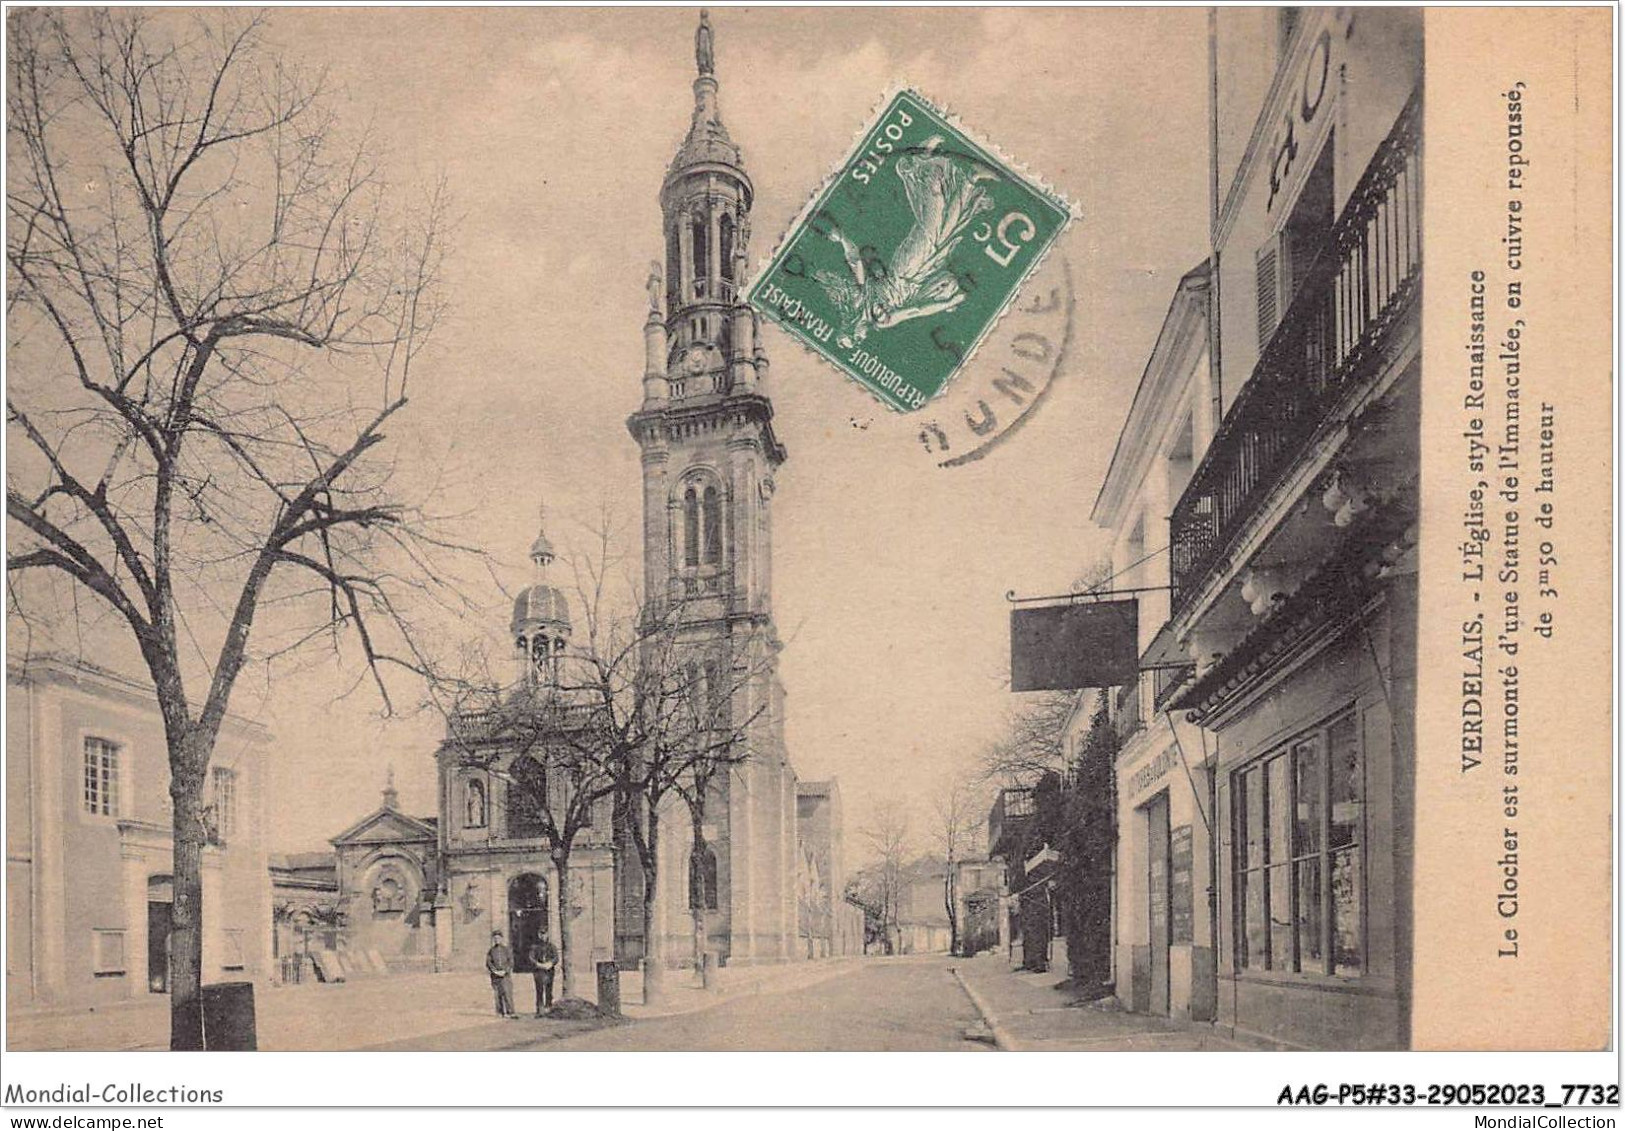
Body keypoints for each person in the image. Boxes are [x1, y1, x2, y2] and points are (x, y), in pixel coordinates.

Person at [485, 931, 516, 1018]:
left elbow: (511, 962)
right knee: (497, 994)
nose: (496, 940)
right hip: (495, 976)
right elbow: (488, 963)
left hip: (505, 976)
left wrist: (505, 971)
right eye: (495, 938)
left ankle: (511, 1012)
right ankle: (500, 1012)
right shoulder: (491, 951)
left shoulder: (507, 950)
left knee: (507, 993)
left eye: (498, 938)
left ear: (502, 939)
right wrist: (495, 971)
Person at [528, 934, 559, 1015]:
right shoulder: (535, 946)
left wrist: (550, 963)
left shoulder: (552, 946)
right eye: (541, 934)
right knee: (539, 990)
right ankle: (540, 1009)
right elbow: (531, 957)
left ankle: (548, 1006)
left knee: (549, 989)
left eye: (544, 934)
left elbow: (556, 957)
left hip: (549, 970)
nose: (543, 936)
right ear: (538, 935)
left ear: (547, 935)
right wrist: (537, 964)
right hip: (538, 971)